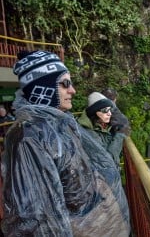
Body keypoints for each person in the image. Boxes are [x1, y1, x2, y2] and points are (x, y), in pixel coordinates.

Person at [1, 50, 130, 235]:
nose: (73, 90)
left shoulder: (59, 123)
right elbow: (37, 218)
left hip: (99, 223)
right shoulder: (29, 137)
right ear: (43, 88)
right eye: (65, 83)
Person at [76, 91, 131, 222]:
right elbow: (108, 160)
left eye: (110, 110)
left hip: (107, 186)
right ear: (96, 112)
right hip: (99, 190)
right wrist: (120, 135)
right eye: (106, 110)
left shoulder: (102, 125)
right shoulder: (88, 134)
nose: (110, 113)